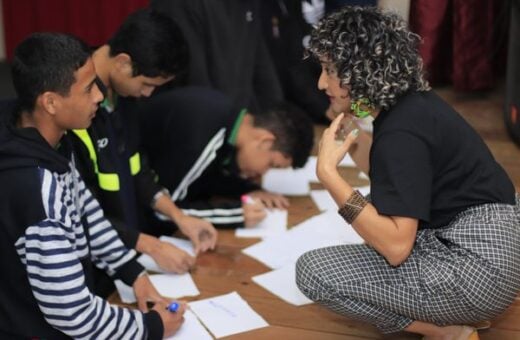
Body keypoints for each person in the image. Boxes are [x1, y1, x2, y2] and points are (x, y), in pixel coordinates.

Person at [295, 6, 520, 340]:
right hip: (497, 250)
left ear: (359, 72)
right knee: (375, 206)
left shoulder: (400, 135)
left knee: (313, 272)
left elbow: (397, 247)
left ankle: (448, 330)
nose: (321, 82)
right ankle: (463, 309)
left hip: (477, 273)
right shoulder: (411, 103)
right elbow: (392, 175)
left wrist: (329, 175)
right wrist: (352, 115)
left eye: (329, 70)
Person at [0, 32, 184, 339]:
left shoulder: (49, 139)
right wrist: (151, 327)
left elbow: (85, 211)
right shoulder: (36, 192)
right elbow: (74, 316)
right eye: (88, 89)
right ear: (50, 102)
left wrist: (132, 272)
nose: (99, 96)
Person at [69, 8, 218, 288]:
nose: (148, 94)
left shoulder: (125, 97)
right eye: (148, 84)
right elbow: (80, 212)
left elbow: (137, 168)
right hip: (95, 270)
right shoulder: (76, 110)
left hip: (129, 259)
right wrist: (152, 246)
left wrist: (179, 216)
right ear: (123, 62)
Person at [137, 86, 314, 233]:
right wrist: (235, 215)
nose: (263, 173)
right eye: (271, 164)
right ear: (265, 140)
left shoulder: (229, 116)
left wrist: (246, 190)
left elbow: (205, 177)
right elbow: (164, 211)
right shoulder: (202, 139)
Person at [150, 0, 284, 113]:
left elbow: (263, 70)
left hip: (238, 120)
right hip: (197, 122)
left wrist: (276, 121)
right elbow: (193, 78)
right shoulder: (179, 5)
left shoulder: (247, 4)